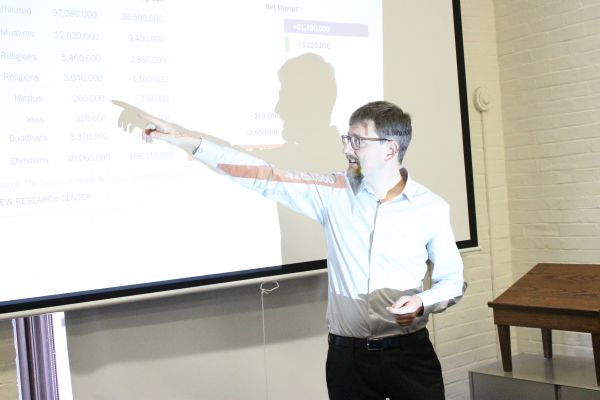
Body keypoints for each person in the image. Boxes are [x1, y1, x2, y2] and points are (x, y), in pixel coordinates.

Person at [126, 100, 466, 400]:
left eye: (357, 140)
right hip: (348, 359)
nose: (347, 148)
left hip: (409, 354)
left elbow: (452, 282)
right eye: (346, 138)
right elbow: (264, 176)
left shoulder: (430, 207)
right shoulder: (333, 192)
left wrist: (422, 302)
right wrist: (188, 141)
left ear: (390, 149)